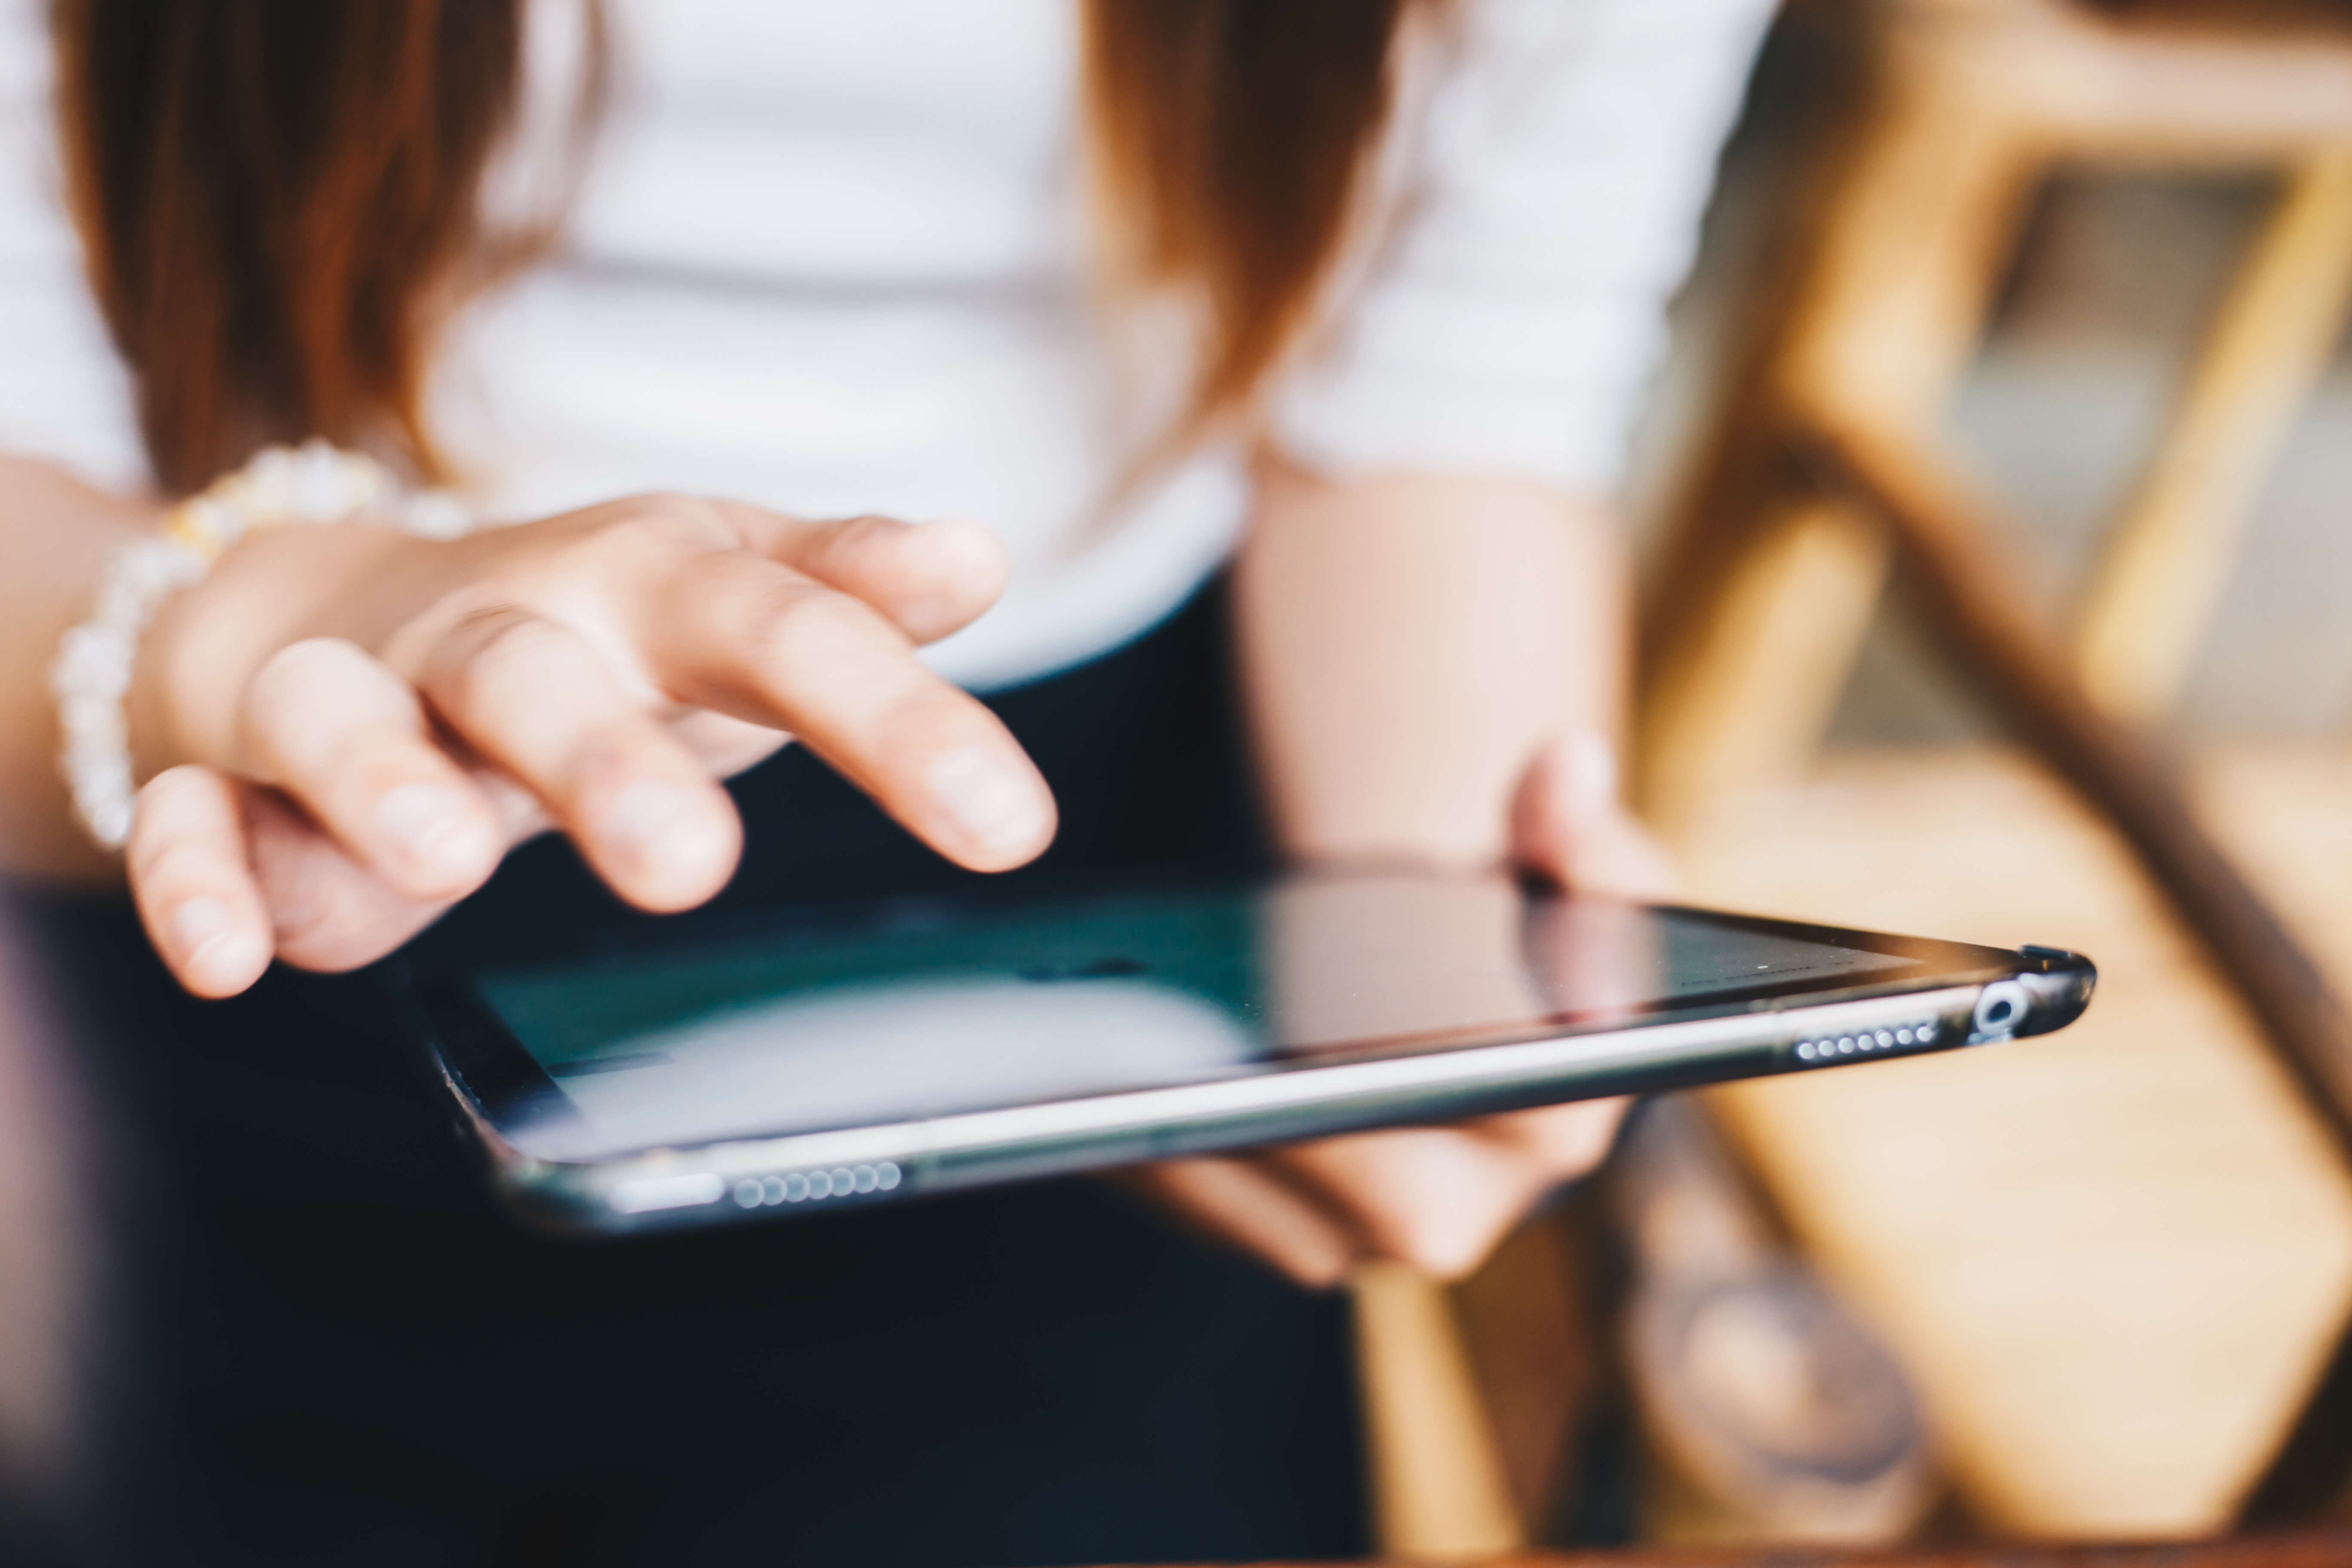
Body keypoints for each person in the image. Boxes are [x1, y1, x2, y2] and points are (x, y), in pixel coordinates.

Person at [0, 0, 1774, 1560]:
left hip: (1091, 970)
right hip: (186, 902)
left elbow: (1451, 384)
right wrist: (242, 632)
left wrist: (1421, 965)